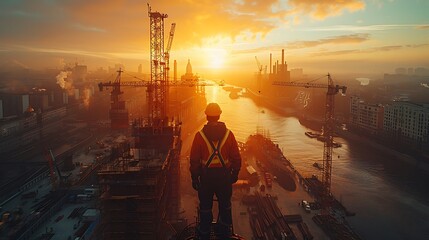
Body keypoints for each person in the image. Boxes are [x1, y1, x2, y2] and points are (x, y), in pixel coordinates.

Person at [190, 103, 242, 239]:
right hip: (224, 178)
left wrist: (195, 178)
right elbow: (236, 157)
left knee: (205, 208)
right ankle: (224, 234)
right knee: (225, 206)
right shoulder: (229, 135)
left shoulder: (199, 136)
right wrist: (235, 174)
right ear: (219, 115)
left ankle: (205, 234)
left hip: (206, 179)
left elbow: (194, 160)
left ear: (206, 116)